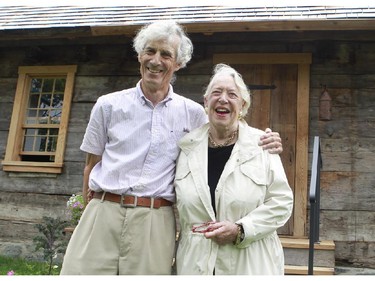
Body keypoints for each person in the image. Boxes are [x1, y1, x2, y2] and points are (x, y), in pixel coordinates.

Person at [60, 21, 283, 275]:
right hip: (102, 211)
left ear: (178, 64)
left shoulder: (193, 114)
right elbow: (91, 165)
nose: (156, 60)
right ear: (139, 56)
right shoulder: (107, 106)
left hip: (154, 219)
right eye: (150, 51)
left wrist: (263, 139)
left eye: (166, 54)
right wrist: (88, 213)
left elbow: (226, 126)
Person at [174, 63, 293, 275]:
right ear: (206, 101)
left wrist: (240, 229)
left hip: (249, 263)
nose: (223, 99)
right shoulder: (186, 147)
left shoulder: (261, 144)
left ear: (243, 105)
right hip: (195, 264)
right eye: (216, 93)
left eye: (232, 94)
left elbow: (282, 202)